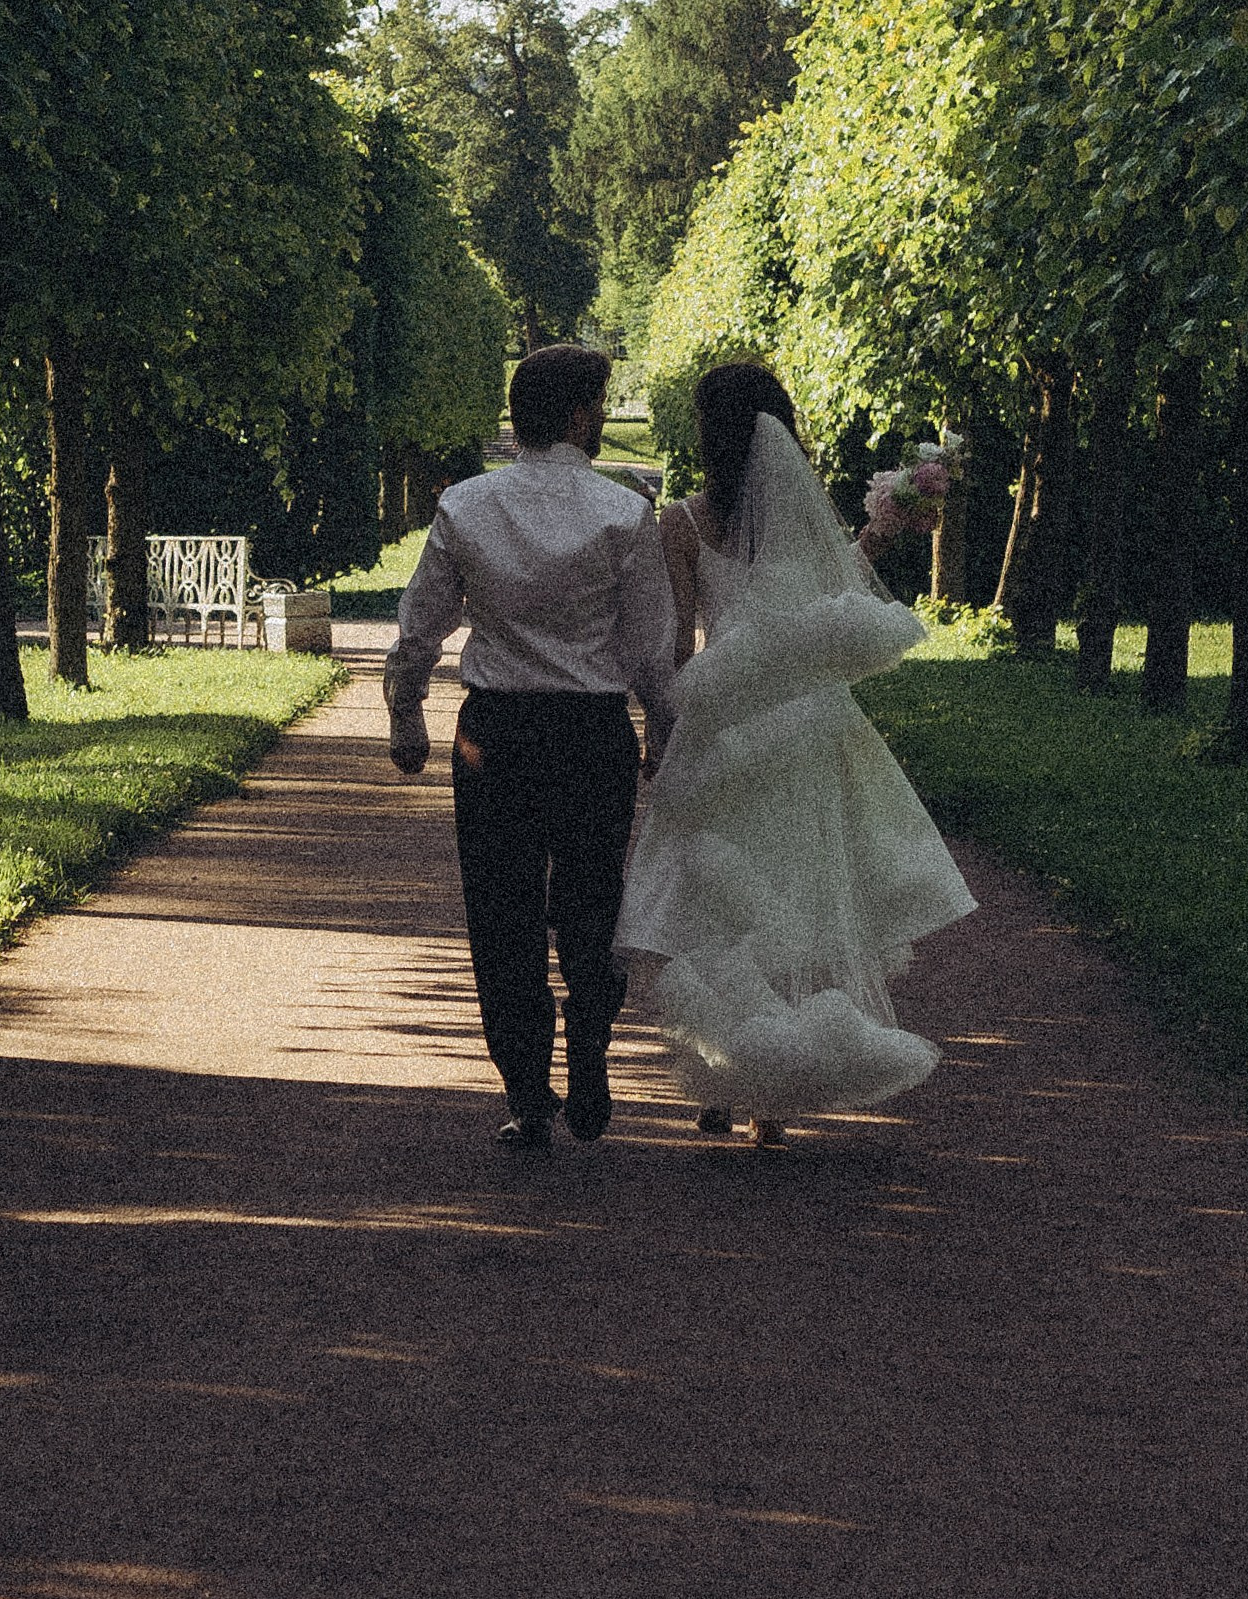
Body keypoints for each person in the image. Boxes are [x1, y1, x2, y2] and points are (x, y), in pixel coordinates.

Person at [617, 360, 973, 1145]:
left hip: (725, 736)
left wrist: (659, 734)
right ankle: (774, 1099)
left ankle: (721, 1071)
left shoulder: (681, 524)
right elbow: (831, 605)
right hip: (810, 730)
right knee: (794, 894)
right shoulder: (800, 518)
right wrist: (880, 531)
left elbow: (674, 652)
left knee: (716, 905)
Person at [385, 341, 678, 1149]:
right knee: (591, 904)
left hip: (498, 734)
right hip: (590, 734)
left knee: (502, 916)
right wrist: (663, 727)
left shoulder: (468, 507)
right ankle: (589, 1048)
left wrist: (405, 712)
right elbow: (652, 647)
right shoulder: (625, 513)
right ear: (583, 415)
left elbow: (422, 625)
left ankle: (527, 1090)